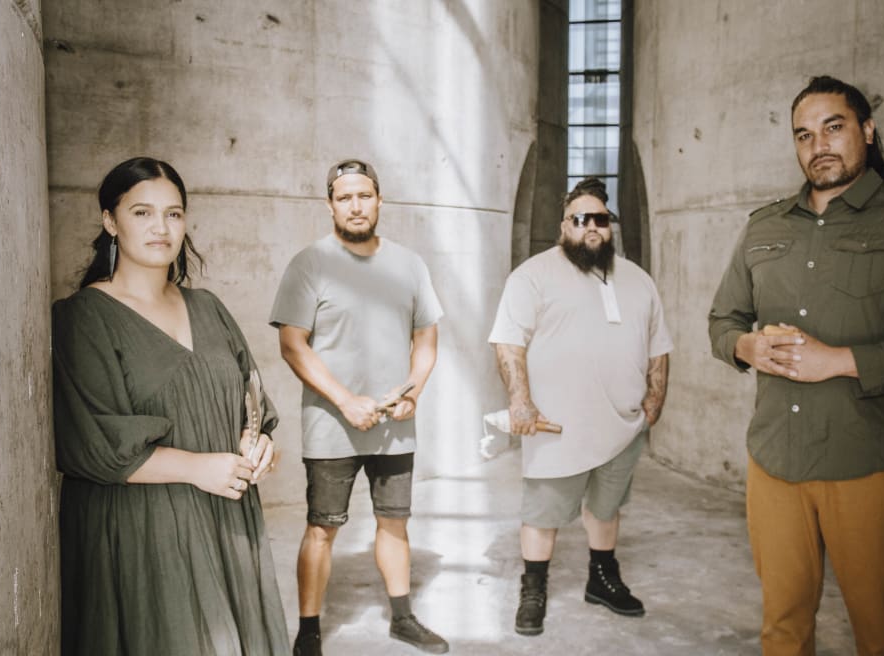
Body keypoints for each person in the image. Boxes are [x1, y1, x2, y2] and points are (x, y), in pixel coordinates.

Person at [708, 76, 884, 655]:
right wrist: (745, 347)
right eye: (804, 135)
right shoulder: (765, 226)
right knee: (782, 629)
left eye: (834, 127)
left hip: (867, 467)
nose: (819, 145)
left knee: (883, 634)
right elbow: (722, 321)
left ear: (867, 130)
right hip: (774, 463)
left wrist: (841, 361)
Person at [52, 157, 290, 655]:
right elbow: (90, 442)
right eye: (142, 213)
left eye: (174, 214)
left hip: (225, 516)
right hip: (143, 528)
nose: (161, 227)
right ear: (110, 221)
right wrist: (197, 467)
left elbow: (251, 400)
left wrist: (261, 443)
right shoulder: (85, 318)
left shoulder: (208, 306)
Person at [270, 159, 448, 655]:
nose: (355, 205)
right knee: (322, 527)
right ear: (330, 204)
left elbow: (427, 339)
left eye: (364, 196)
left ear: (379, 201)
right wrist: (346, 402)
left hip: (394, 427)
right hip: (332, 426)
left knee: (395, 521)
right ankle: (308, 631)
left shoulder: (410, 264)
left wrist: (413, 390)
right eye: (344, 197)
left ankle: (403, 617)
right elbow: (293, 344)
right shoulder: (310, 263)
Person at [488, 177, 673, 636]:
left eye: (601, 219)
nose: (592, 226)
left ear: (610, 226)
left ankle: (601, 578)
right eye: (581, 219)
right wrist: (521, 402)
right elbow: (509, 342)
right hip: (557, 427)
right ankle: (533, 588)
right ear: (563, 227)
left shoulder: (637, 279)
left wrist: (654, 400)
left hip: (622, 426)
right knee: (543, 513)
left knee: (607, 508)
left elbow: (658, 345)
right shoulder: (533, 275)